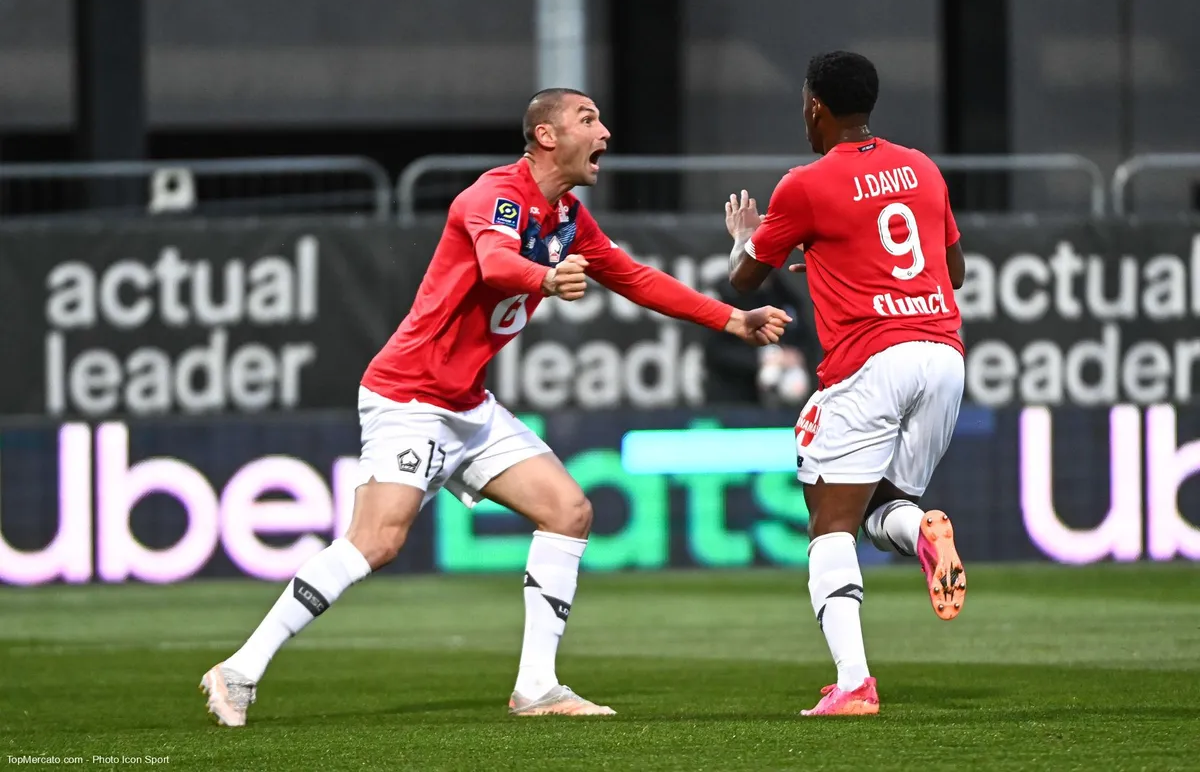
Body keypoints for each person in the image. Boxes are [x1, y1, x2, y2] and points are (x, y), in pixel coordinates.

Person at [200, 88, 791, 726]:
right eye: (588, 120)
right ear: (546, 136)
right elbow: (496, 262)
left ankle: (537, 686)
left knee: (569, 510)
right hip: (410, 396)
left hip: (468, 403)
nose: (605, 133)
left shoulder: (567, 216)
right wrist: (545, 278)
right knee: (378, 540)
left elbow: (634, 277)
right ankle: (239, 670)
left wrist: (733, 319)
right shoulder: (495, 196)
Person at [725, 51, 968, 717]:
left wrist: (743, 238)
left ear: (815, 107)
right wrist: (842, 263)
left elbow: (745, 280)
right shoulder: (921, 167)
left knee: (829, 524)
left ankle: (855, 683)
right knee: (879, 507)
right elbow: (954, 272)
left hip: (874, 360)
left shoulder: (805, 184)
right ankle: (922, 531)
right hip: (944, 357)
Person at [704, 271, 817, 407]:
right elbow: (715, 350)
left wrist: (794, 355)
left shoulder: (784, 295)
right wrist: (761, 359)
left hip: (778, 402)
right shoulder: (727, 294)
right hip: (732, 398)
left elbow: (806, 340)